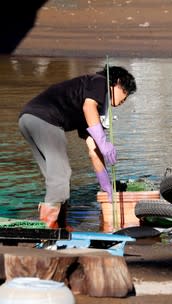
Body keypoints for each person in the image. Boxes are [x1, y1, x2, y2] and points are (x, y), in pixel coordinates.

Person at [18, 65, 137, 229]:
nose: (124, 101)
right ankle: (48, 226)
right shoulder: (99, 82)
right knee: (61, 174)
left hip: (27, 120)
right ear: (117, 82)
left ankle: (60, 225)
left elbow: (93, 150)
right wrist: (103, 141)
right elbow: (89, 107)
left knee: (55, 178)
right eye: (125, 93)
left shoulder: (90, 102)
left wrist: (105, 183)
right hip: (44, 119)